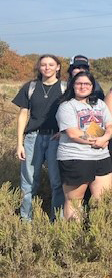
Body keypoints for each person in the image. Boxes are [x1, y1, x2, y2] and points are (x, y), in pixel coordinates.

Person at [56, 72, 112, 220]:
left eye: (87, 84)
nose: (83, 87)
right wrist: (98, 141)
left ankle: (96, 233)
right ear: (72, 85)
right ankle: (73, 237)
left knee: (102, 199)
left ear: (92, 87)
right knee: (74, 201)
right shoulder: (66, 106)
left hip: (101, 157)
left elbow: (111, 125)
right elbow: (73, 133)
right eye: (79, 83)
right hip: (75, 158)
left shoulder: (100, 104)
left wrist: (106, 137)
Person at [13, 54, 66, 221]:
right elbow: (23, 115)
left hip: (55, 139)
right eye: (44, 65)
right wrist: (19, 143)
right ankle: (25, 220)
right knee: (28, 182)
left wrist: (64, 132)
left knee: (57, 183)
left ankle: (56, 221)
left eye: (51, 64)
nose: (47, 67)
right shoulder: (30, 87)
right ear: (39, 67)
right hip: (32, 138)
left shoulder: (65, 88)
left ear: (58, 67)